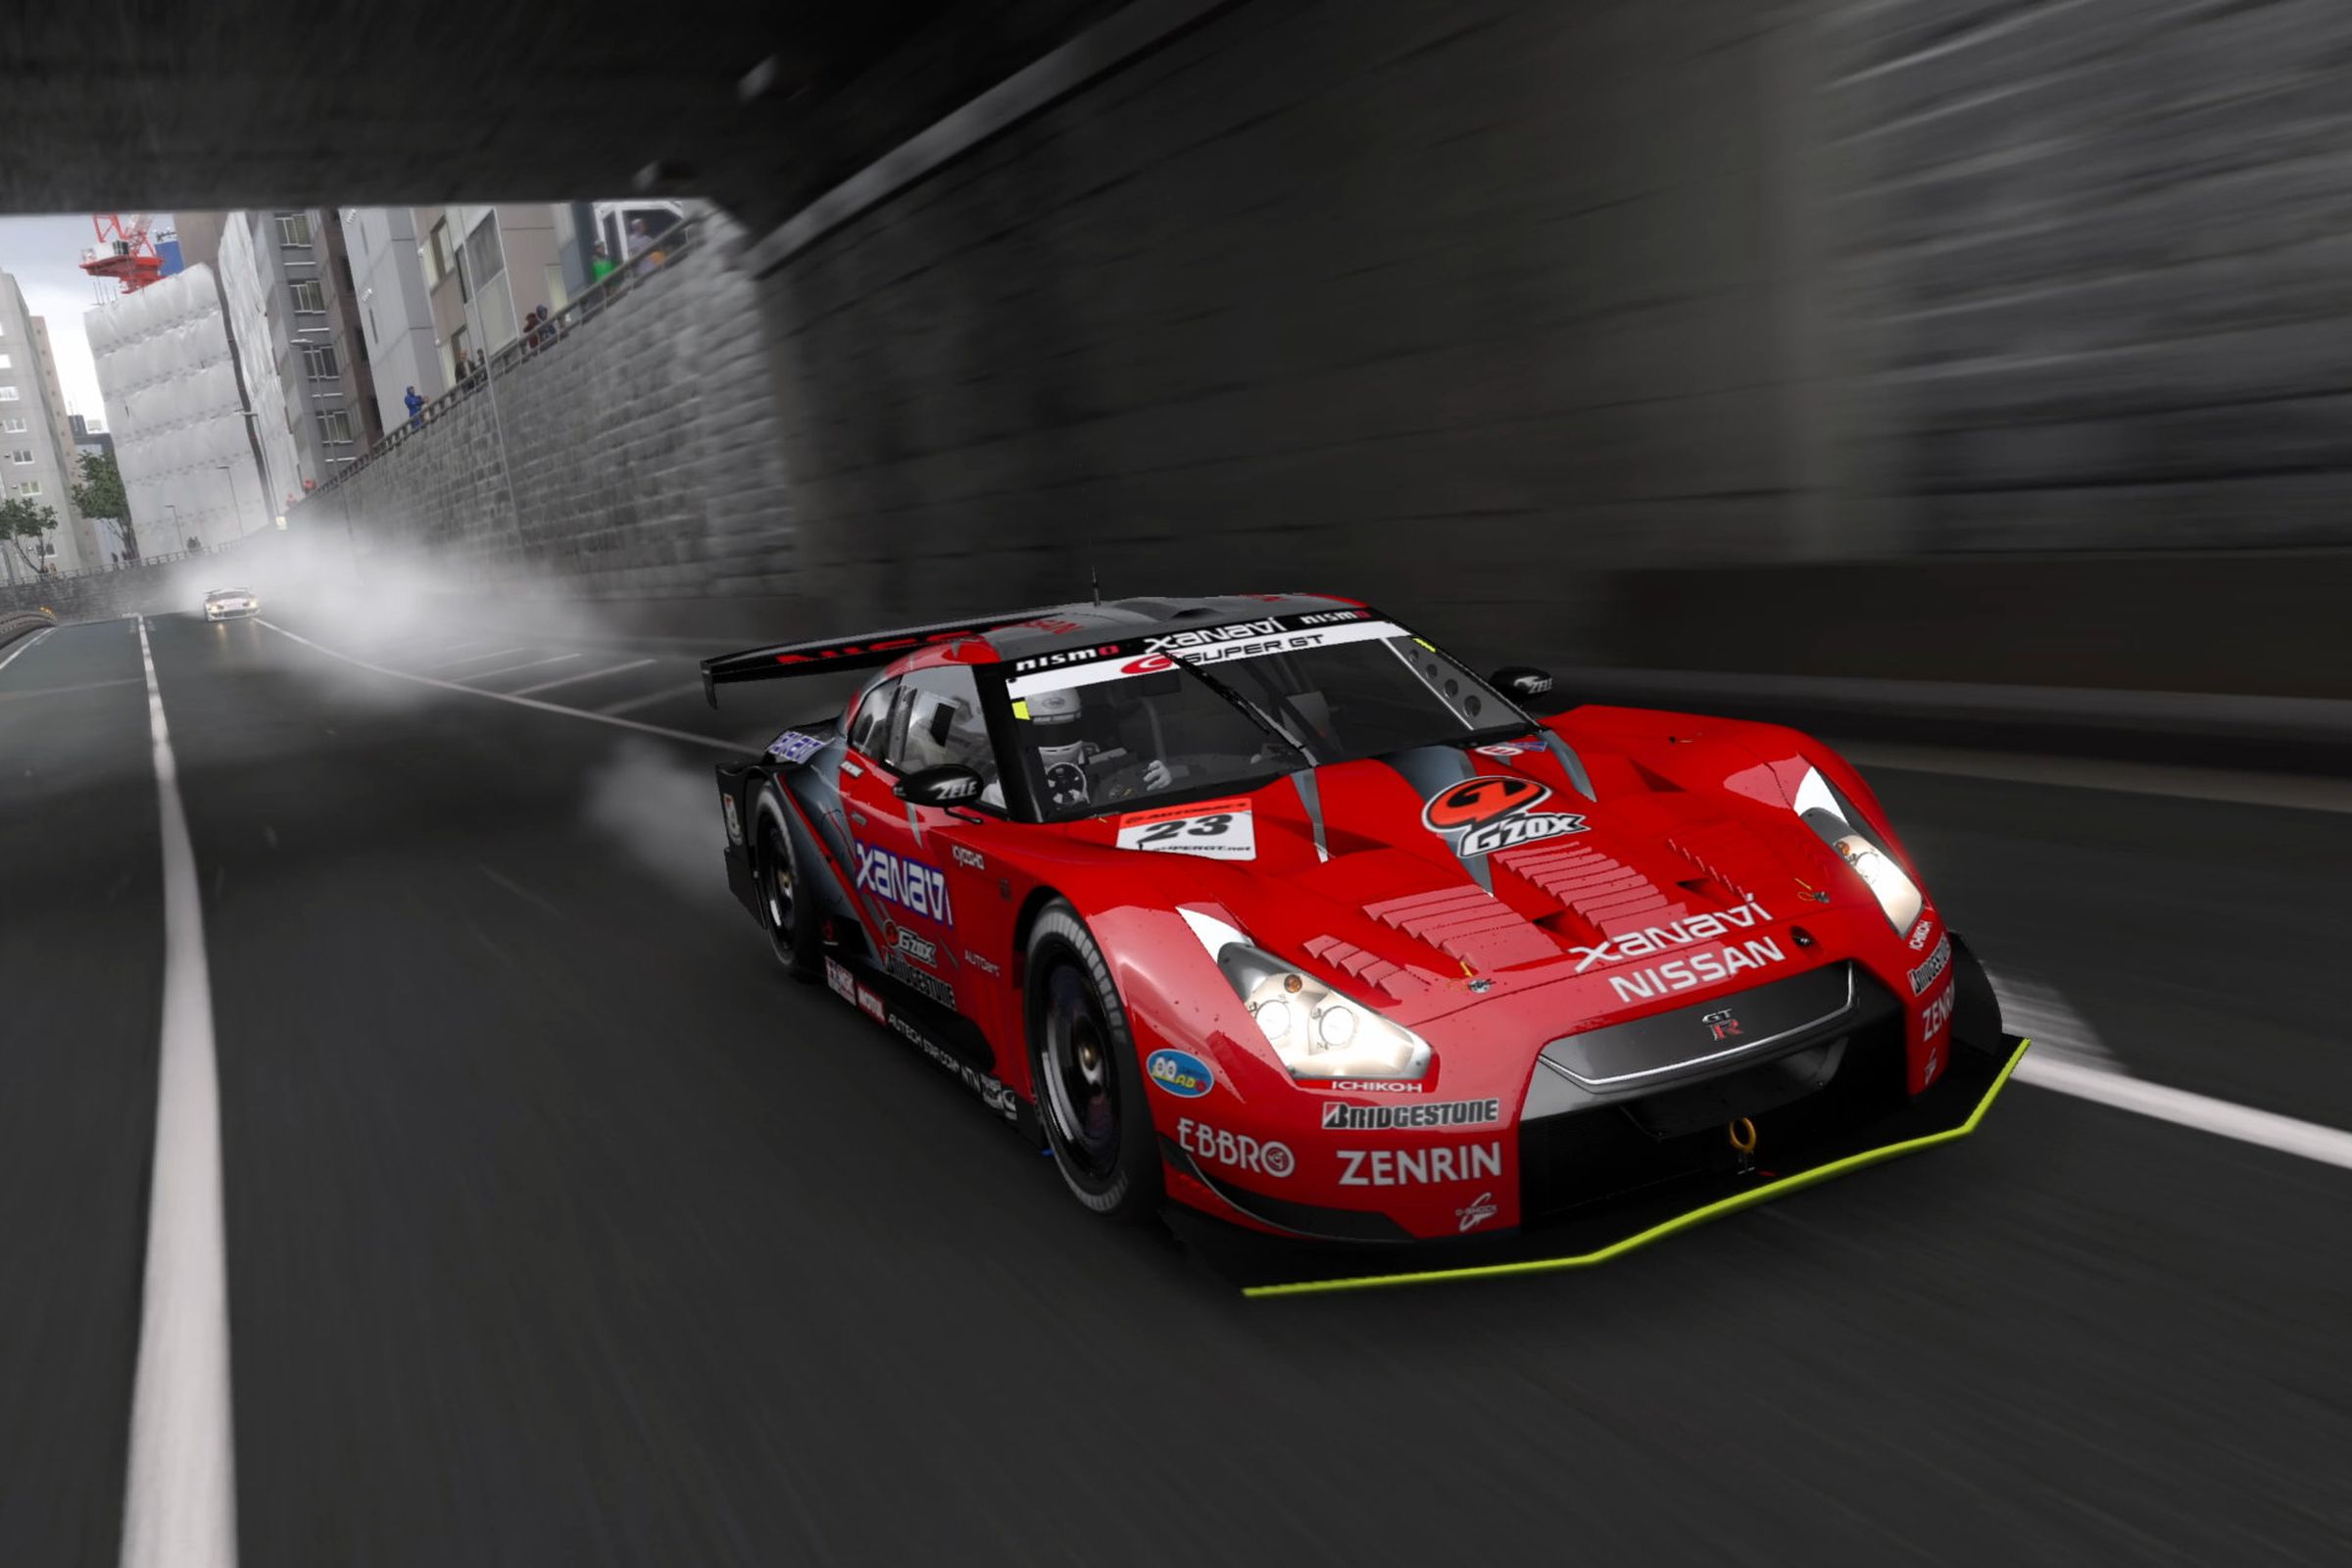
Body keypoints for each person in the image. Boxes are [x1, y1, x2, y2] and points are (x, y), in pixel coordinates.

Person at [1025, 685, 1172, 809]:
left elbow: (1135, 791)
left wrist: (1160, 781)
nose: (1057, 737)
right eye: (1046, 730)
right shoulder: (1017, 771)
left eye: (1068, 726)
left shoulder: (1101, 755)